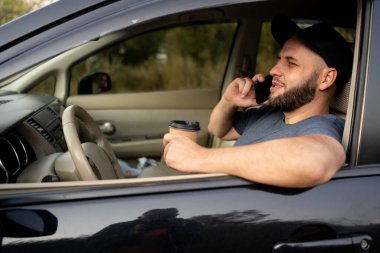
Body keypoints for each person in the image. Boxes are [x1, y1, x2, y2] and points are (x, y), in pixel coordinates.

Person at [156, 15, 353, 188]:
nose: (274, 70)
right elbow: (219, 130)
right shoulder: (272, 112)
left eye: (291, 63)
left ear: (326, 79)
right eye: (279, 60)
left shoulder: (322, 126)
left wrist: (199, 157)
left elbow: (316, 162)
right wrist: (229, 101)